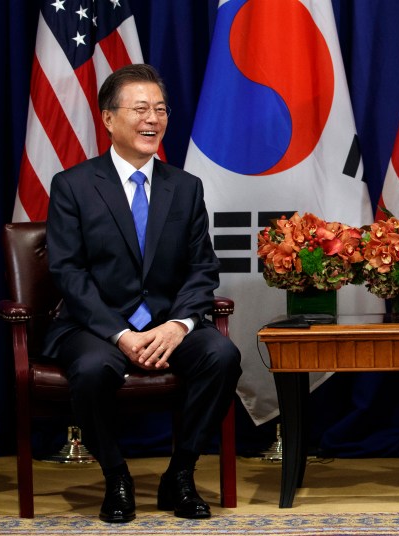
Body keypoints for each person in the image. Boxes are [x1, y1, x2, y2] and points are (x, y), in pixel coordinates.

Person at [43, 64, 241, 523]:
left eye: (160, 109)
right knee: (92, 369)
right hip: (96, 325)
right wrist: (120, 334)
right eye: (140, 109)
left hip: (167, 320)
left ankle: (181, 473)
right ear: (109, 119)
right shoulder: (73, 186)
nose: (153, 119)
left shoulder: (185, 187)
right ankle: (116, 476)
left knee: (221, 355)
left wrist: (180, 325)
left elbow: (202, 268)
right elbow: (69, 272)